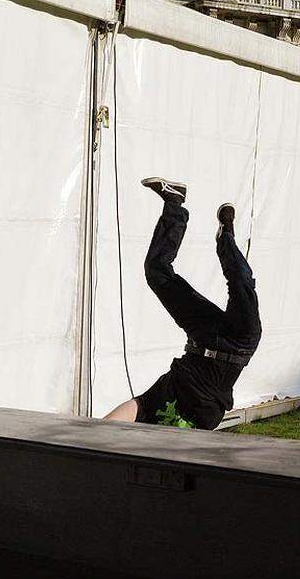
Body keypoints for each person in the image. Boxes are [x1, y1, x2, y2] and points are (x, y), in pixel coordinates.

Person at [104, 177, 261, 430]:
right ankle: (226, 236)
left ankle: (174, 204)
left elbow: (138, 406)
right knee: (242, 283)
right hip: (239, 343)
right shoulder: (205, 416)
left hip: (201, 338)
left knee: (156, 272)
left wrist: (92, 435)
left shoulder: (158, 400)